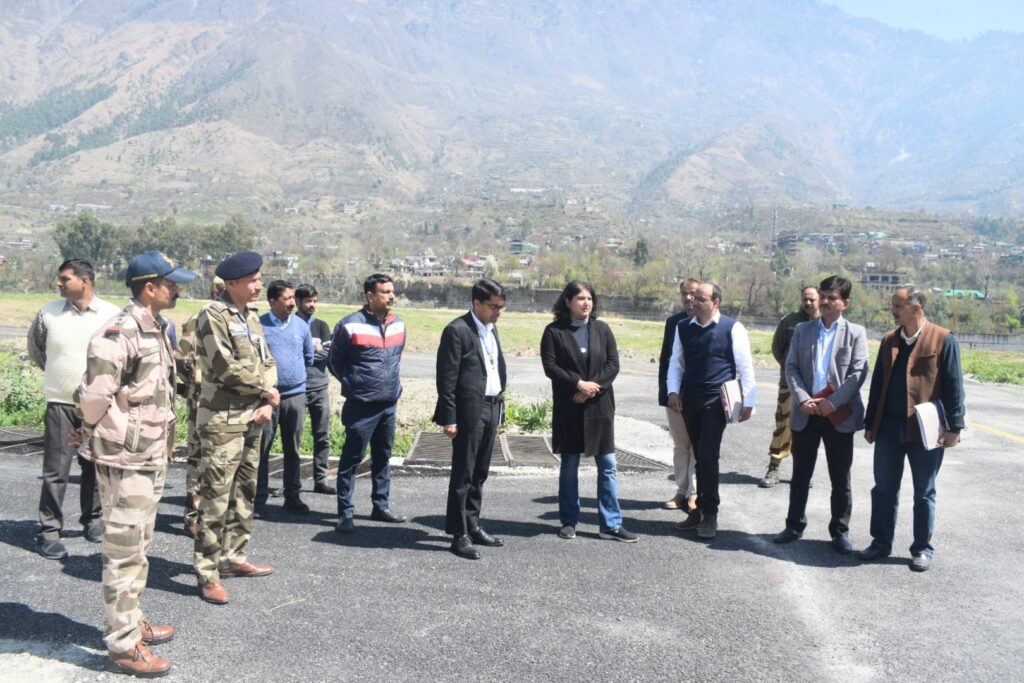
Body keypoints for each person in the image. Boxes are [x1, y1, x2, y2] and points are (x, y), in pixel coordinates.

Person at [74, 251, 196, 676]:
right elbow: (94, 397)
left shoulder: (155, 328)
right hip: (126, 459)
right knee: (124, 553)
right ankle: (123, 646)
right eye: (171, 283)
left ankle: (131, 619)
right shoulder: (120, 331)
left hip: (148, 455)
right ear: (149, 287)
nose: (177, 289)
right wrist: (100, 429)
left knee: (139, 547)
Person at [858, 286, 965, 572]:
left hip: (925, 430)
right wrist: (871, 423)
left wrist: (955, 426)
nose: (892, 310)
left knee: (924, 492)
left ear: (915, 308)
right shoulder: (889, 340)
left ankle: (921, 548)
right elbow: (878, 383)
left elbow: (955, 385)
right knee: (883, 488)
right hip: (888, 428)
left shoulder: (943, 338)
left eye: (897, 306)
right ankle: (880, 542)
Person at [193, 251, 279, 605]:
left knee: (244, 493)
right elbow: (224, 367)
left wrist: (266, 400)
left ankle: (233, 557)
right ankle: (207, 572)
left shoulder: (251, 317)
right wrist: (266, 392)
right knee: (215, 498)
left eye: (259, 279)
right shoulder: (213, 315)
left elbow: (267, 360)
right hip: (222, 422)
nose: (259, 285)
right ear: (232, 284)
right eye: (252, 281)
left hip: (253, 417)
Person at [27, 258, 120, 559]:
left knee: (95, 465)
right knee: (56, 470)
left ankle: (93, 520)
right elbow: (36, 350)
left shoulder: (111, 315)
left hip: (97, 404)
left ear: (85, 281)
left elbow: (118, 356)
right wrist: (61, 376)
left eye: (65, 279)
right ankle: (49, 531)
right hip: (61, 403)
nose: (59, 283)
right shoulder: (48, 313)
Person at [772, 276, 868, 554]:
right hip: (807, 413)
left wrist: (832, 403)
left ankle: (839, 531)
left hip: (838, 416)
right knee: (800, 475)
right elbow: (791, 367)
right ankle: (794, 525)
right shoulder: (803, 330)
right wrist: (803, 399)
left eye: (832, 298)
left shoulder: (856, 333)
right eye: (823, 296)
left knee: (840, 478)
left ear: (845, 303)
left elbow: (858, 373)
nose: (825, 302)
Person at [541, 281, 638, 543]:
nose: (587, 303)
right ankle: (569, 521)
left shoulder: (602, 329)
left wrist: (590, 388)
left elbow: (613, 365)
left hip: (600, 406)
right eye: (581, 298)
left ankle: (611, 525)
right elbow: (550, 367)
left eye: (590, 299)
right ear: (568, 302)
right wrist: (577, 384)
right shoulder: (554, 332)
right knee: (569, 465)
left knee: (607, 466)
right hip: (569, 407)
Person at [666, 281, 756, 539]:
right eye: (693, 297)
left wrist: (749, 402)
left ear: (716, 302)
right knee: (698, 454)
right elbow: (676, 364)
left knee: (708, 455)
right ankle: (698, 511)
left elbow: (745, 367)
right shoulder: (683, 327)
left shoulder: (732, 328)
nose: (693, 301)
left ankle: (710, 513)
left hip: (717, 402)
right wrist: (673, 391)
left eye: (700, 299)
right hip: (690, 401)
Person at [434, 279, 508, 560]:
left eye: (501, 307)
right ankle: (459, 533)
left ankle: (473, 524)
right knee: (463, 474)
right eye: (494, 306)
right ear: (477, 303)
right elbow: (447, 378)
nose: (498, 312)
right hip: (468, 412)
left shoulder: (490, 329)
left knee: (480, 472)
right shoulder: (457, 330)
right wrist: (450, 418)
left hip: (491, 407)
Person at [329, 273, 407, 532]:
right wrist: (354, 383)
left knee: (383, 456)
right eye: (385, 292)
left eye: (392, 291)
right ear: (370, 295)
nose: (391, 296)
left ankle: (380, 506)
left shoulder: (398, 324)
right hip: (361, 404)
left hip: (389, 403)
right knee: (352, 458)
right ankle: (345, 513)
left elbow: (395, 359)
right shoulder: (349, 325)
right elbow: (335, 361)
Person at [256, 280, 314, 515]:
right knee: (262, 449)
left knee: (293, 449)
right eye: (287, 298)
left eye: (292, 298)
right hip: (267, 397)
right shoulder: (259, 325)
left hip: (295, 395)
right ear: (272, 301)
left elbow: (308, 356)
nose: (292, 302)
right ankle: (258, 499)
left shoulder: (301, 326)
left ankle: (292, 496)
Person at [175, 276, 225, 538]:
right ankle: (194, 515)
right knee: (199, 457)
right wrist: (193, 382)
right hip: (203, 399)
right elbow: (180, 357)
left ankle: (217, 515)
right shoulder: (198, 319)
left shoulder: (241, 319)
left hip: (230, 403)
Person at [759, 286, 820, 488]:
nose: (808, 303)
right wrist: (789, 369)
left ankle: (802, 472)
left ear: (820, 300)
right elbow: (778, 349)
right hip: (790, 385)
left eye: (812, 299)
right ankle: (774, 467)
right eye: (805, 299)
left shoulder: (825, 322)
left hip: (815, 389)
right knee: (783, 426)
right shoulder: (789, 322)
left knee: (808, 431)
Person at [659, 278, 699, 512]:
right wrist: (668, 394)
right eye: (684, 293)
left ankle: (695, 493)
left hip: (698, 396)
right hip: (674, 397)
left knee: (697, 446)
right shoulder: (673, 322)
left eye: (693, 293)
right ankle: (681, 491)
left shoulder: (708, 322)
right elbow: (666, 361)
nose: (688, 298)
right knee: (681, 445)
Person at [295, 283, 335, 495]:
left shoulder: (321, 326)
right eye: (308, 301)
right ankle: (292, 483)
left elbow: (327, 354)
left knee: (322, 435)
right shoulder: (291, 324)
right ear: (297, 301)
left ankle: (321, 480)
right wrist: (312, 349)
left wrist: (306, 352)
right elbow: (290, 355)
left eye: (315, 301)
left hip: (320, 388)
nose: (312, 305)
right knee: (294, 436)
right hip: (297, 389)